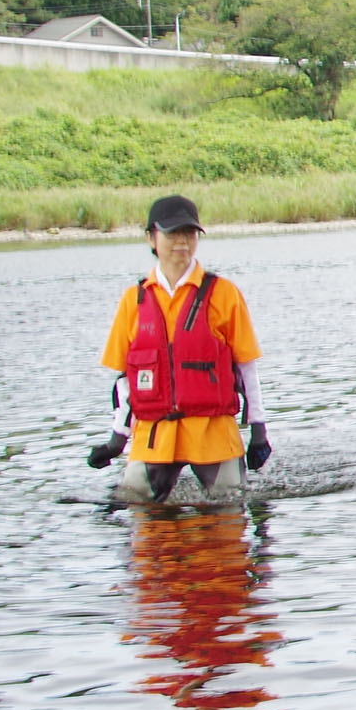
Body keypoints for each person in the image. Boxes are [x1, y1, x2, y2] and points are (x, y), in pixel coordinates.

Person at [91, 194, 272, 505]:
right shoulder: (133, 301)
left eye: (189, 234)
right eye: (172, 234)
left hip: (213, 434)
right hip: (152, 436)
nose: (182, 243)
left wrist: (258, 429)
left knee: (229, 510)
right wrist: (116, 438)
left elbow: (247, 368)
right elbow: (125, 380)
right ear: (151, 238)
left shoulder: (225, 294)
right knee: (138, 512)